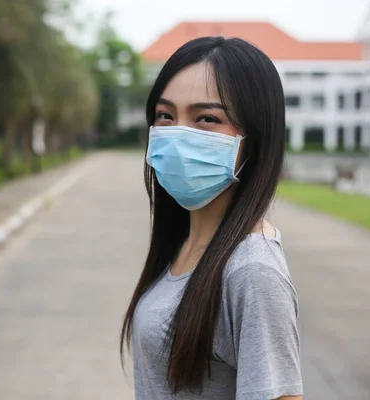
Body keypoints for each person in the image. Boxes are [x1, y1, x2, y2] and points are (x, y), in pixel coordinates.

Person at [120, 36, 303, 400]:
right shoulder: (185, 244)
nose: (178, 135)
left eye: (206, 118)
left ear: (255, 138)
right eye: (165, 116)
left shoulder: (252, 271)